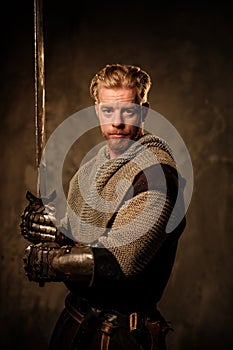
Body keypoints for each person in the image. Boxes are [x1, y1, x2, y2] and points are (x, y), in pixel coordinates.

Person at [20, 63, 187, 350]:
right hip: (75, 323)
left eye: (128, 111)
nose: (117, 121)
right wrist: (54, 229)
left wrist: (55, 263)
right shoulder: (92, 167)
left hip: (119, 335)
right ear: (97, 110)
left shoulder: (156, 174)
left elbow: (121, 260)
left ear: (144, 111)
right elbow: (81, 232)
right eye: (108, 111)